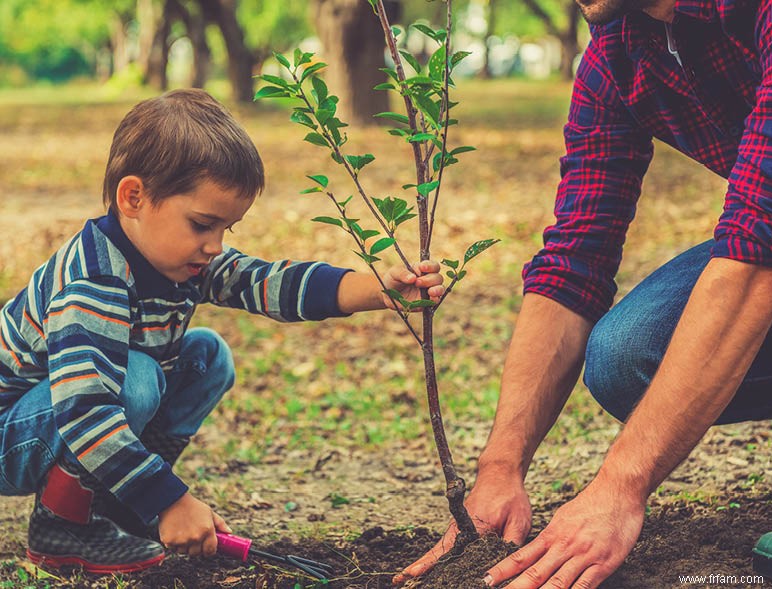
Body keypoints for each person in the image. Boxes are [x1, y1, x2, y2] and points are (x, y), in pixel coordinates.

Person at [398, 0, 772, 585]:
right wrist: (501, 468)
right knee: (629, 354)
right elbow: (574, 261)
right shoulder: (619, 55)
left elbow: (759, 248)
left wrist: (619, 489)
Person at [0, 88, 444, 574]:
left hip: (59, 422)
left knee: (207, 355)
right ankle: (63, 529)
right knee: (137, 377)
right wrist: (169, 502)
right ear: (134, 197)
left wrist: (377, 289)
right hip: (18, 431)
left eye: (225, 230)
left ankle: (115, 502)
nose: (214, 246)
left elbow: (266, 281)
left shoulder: (179, 259)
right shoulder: (92, 282)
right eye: (201, 224)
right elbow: (84, 413)